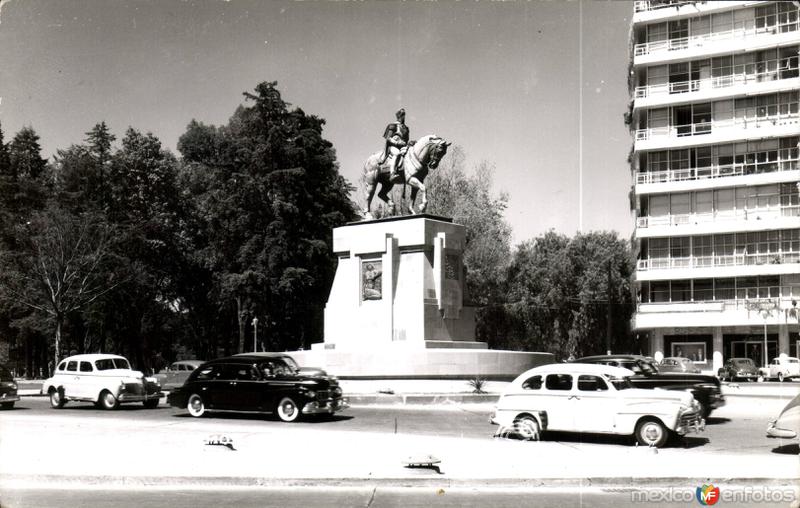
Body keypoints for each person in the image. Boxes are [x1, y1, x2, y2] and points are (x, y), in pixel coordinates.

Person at [380, 108, 410, 182]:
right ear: (398, 116)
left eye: (404, 115)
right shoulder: (393, 125)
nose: (403, 117)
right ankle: (392, 173)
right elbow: (388, 137)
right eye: (402, 115)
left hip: (403, 147)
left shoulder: (406, 128)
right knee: (397, 154)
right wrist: (397, 142)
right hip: (393, 146)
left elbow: (406, 139)